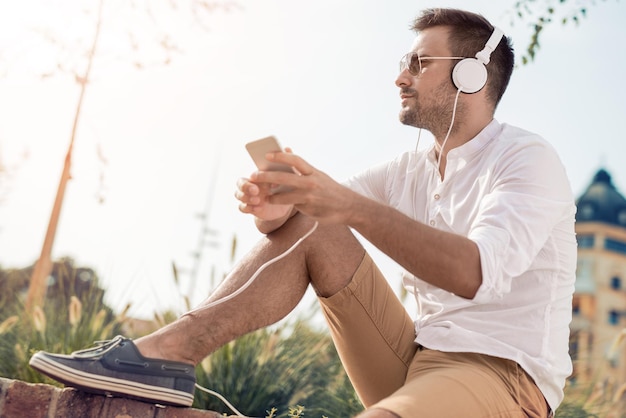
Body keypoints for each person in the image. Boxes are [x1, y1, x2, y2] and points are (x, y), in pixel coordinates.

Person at [29, 7, 576, 417]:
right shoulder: (409, 168)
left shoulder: (527, 160)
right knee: (315, 219)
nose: (400, 77)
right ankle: (169, 353)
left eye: (419, 62)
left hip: (502, 378)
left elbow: (473, 273)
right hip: (415, 360)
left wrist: (346, 205)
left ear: (471, 77)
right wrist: (275, 209)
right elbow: (314, 220)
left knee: (339, 209)